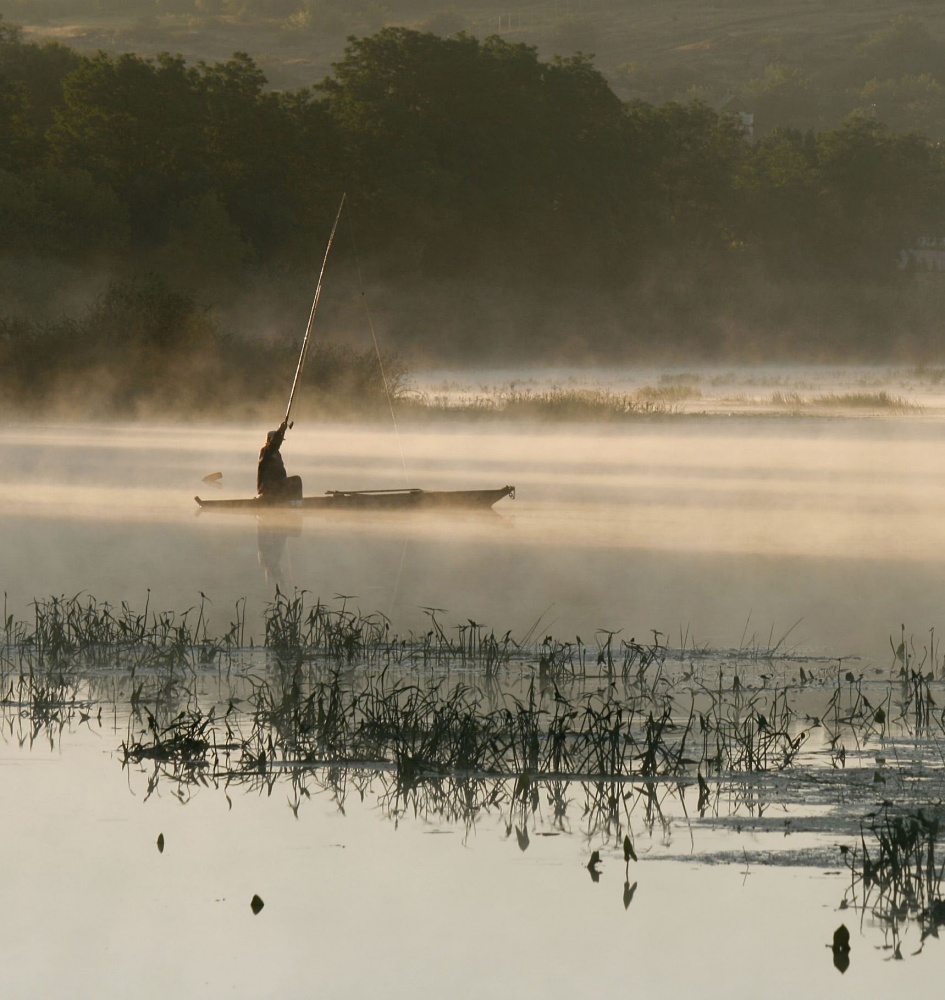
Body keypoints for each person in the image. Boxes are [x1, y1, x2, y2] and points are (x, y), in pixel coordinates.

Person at [256, 419, 303, 501]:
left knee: (293, 482)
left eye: (281, 441)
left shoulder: (277, 454)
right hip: (266, 489)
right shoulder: (265, 451)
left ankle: (292, 500)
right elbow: (274, 444)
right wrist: (281, 429)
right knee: (297, 480)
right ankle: (297, 503)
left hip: (275, 487)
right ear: (269, 441)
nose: (281, 442)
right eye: (280, 440)